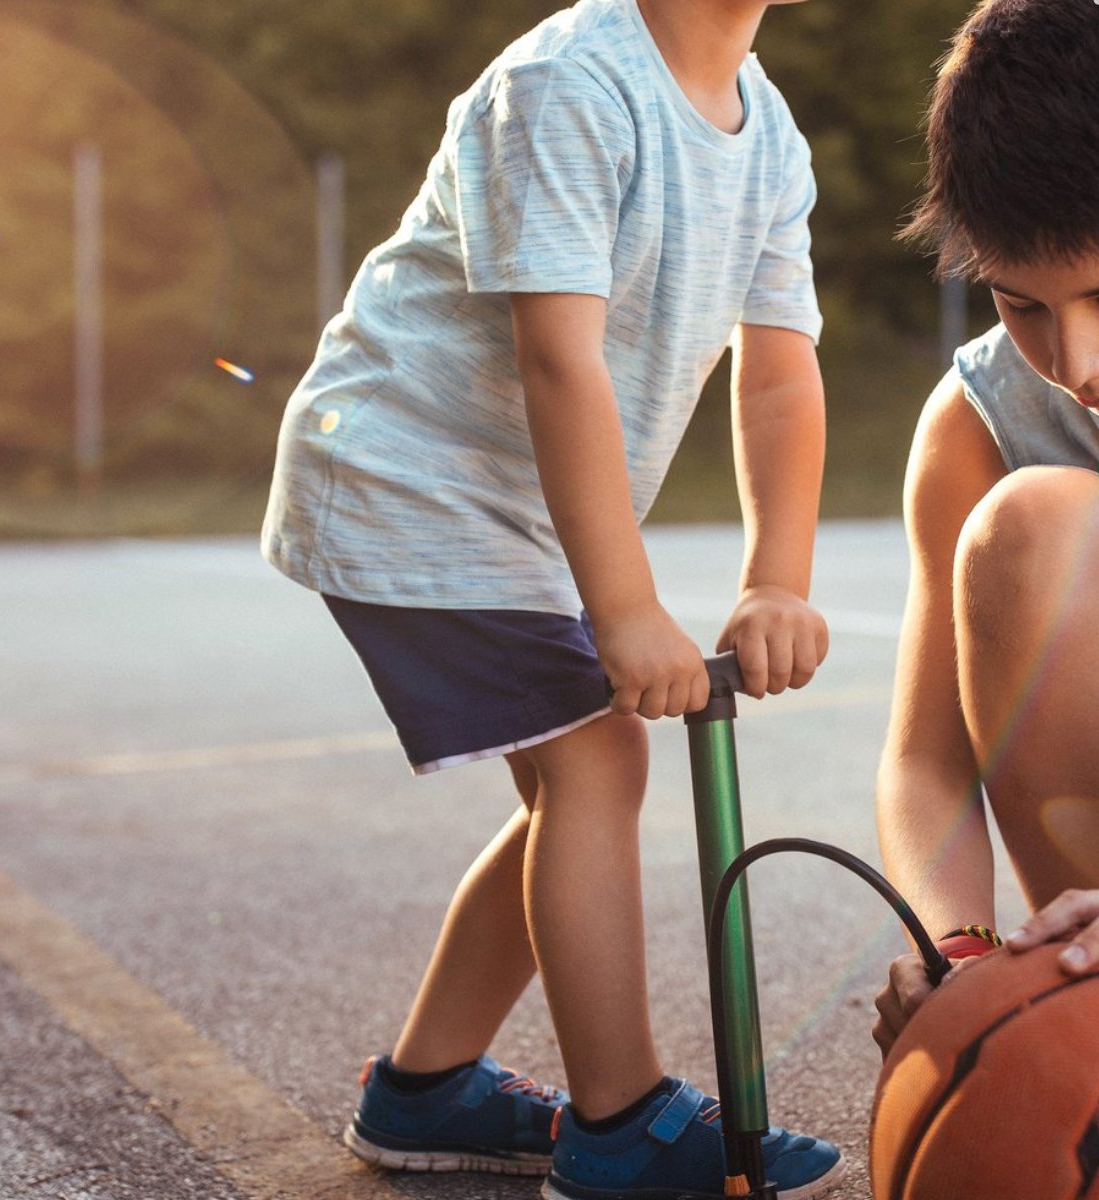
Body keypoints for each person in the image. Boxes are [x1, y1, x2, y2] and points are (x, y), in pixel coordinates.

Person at [263, 0, 845, 1195]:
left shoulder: (766, 129)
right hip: (407, 477)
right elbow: (557, 356)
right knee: (597, 764)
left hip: (511, 504)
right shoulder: (572, 81)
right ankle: (619, 1124)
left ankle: (425, 1091)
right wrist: (626, 609)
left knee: (566, 783)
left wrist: (776, 579)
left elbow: (781, 369)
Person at [873, 0, 1099, 1059]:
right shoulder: (981, 420)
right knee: (1032, 522)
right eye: (1025, 305)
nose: (1078, 361)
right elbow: (926, 761)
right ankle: (1083, 1005)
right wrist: (953, 949)